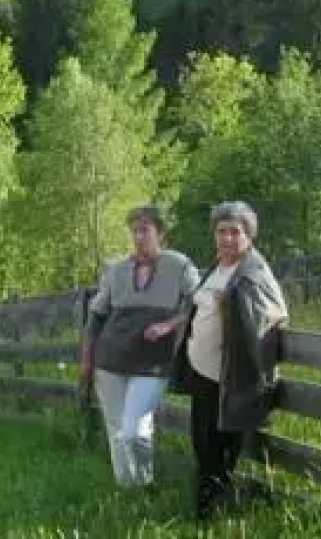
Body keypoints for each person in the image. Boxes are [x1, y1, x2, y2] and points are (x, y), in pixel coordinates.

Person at [173, 201, 289, 521]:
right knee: (203, 444)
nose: (226, 238)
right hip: (201, 371)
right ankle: (209, 510)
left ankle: (207, 516)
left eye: (234, 232)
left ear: (248, 236)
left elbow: (276, 311)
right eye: (221, 231)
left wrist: (235, 304)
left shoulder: (253, 271)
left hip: (230, 376)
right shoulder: (216, 268)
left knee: (219, 448)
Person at [79, 206, 201, 488]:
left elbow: (199, 301)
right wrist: (87, 361)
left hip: (151, 362)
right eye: (134, 230)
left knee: (136, 429)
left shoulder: (178, 265)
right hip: (109, 360)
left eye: (145, 230)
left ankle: (144, 483)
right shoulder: (116, 270)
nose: (138, 236)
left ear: (161, 233)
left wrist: (170, 325)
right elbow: (96, 316)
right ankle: (127, 489)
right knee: (116, 430)